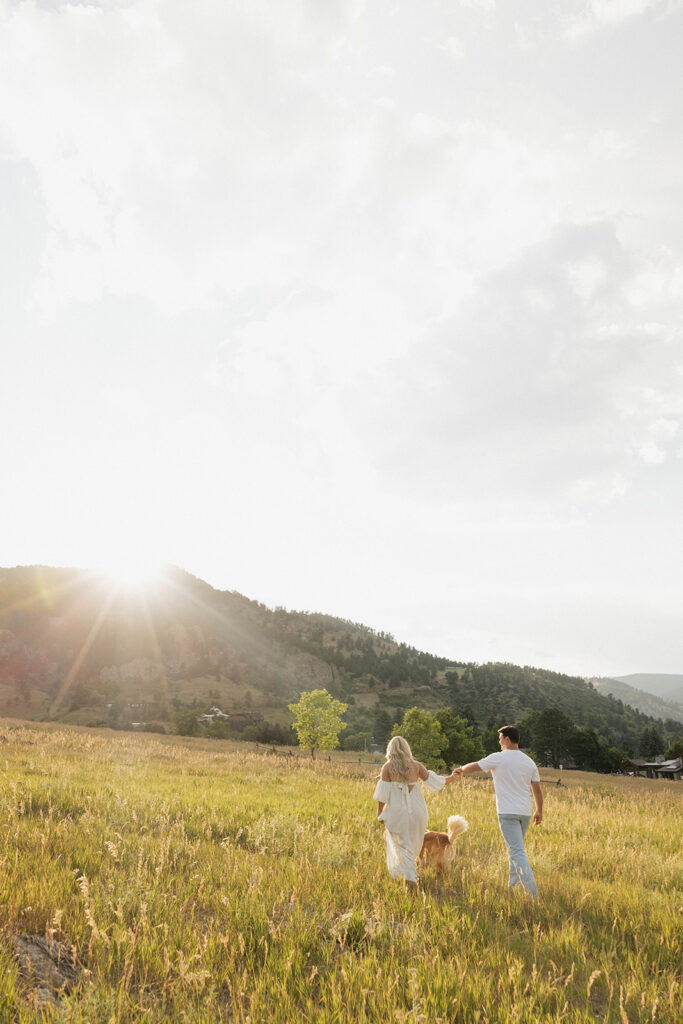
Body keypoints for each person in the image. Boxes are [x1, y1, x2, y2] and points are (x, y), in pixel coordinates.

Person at [454, 725, 542, 899]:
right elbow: (537, 790)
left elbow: (476, 766)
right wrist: (539, 810)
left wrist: (461, 769)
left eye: (500, 738)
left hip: (507, 813)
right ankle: (513, 887)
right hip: (525, 812)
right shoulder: (529, 761)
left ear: (507, 739)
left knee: (517, 852)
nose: (499, 742)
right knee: (515, 850)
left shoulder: (499, 758)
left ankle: (533, 894)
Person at [373, 735, 458, 882]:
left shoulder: (387, 767)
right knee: (413, 844)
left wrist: (380, 814)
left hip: (397, 812)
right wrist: (452, 777)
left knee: (402, 845)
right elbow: (435, 782)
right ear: (407, 749)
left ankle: (410, 879)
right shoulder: (416, 765)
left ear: (390, 750)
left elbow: (383, 795)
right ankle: (407, 876)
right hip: (418, 811)